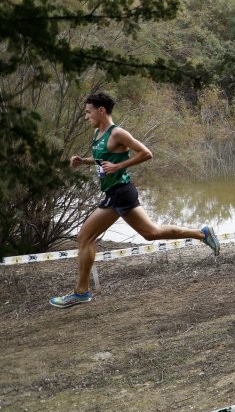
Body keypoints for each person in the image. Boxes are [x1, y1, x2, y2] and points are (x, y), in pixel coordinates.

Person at [51, 92, 221, 308]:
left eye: (88, 112)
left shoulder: (117, 133)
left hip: (121, 192)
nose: (86, 116)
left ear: (100, 111)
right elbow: (104, 158)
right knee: (152, 233)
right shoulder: (98, 133)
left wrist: (118, 167)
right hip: (116, 193)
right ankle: (202, 233)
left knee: (85, 236)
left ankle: (81, 292)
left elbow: (146, 153)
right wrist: (83, 161)